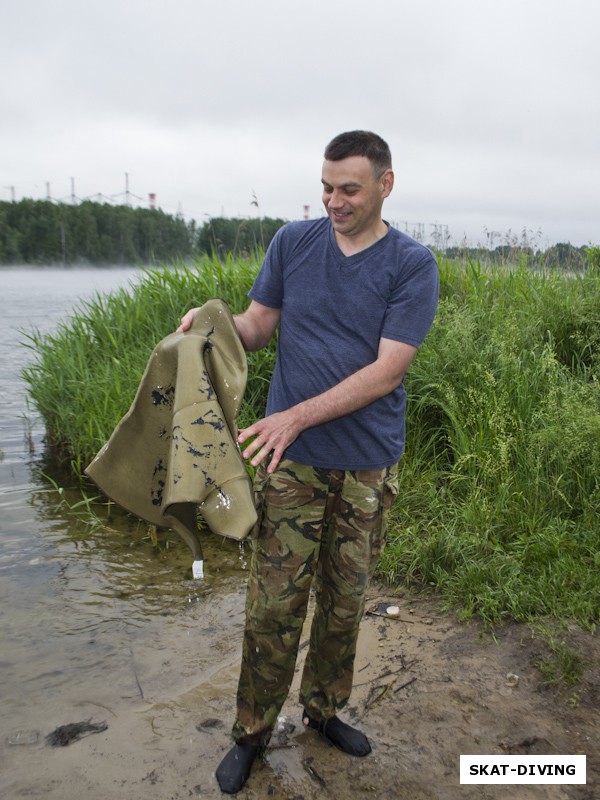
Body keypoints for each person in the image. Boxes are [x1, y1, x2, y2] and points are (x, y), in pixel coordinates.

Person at [179, 130, 439, 794]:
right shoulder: (292, 244)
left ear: (386, 183)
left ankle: (323, 712)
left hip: (366, 466)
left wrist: (293, 414)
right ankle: (251, 732)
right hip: (292, 468)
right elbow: (258, 325)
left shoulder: (412, 265)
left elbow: (386, 372)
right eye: (326, 187)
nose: (333, 200)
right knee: (273, 606)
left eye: (349, 188)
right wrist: (213, 321)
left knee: (345, 604)